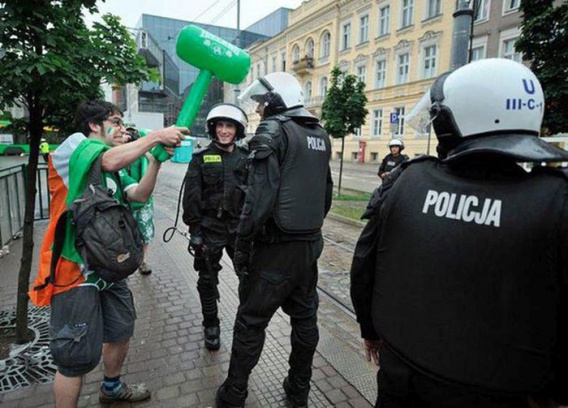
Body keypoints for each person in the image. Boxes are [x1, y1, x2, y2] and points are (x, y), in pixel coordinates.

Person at [350, 58, 568, 407]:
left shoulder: (406, 181)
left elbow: (364, 263)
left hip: (402, 377)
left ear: (458, 122)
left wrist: (369, 330)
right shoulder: (556, 200)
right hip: (505, 393)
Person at [29, 100, 187, 408]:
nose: (123, 128)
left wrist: (155, 161)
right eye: (115, 121)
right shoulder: (75, 147)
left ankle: (111, 388)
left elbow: (139, 195)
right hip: (74, 272)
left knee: (120, 330)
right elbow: (108, 161)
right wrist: (156, 136)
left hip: (110, 270)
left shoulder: (114, 169)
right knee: (74, 356)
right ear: (94, 125)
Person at [216, 72, 333, 408]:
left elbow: (258, 200)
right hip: (308, 246)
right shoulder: (319, 133)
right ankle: (299, 392)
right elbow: (325, 196)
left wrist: (241, 247)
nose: (259, 109)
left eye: (263, 102)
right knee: (305, 319)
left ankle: (234, 394)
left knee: (251, 320)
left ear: (278, 99)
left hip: (274, 249)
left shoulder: (274, 129)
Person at [182, 103, 249, 350]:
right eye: (220, 125)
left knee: (248, 276)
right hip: (209, 229)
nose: (224, 131)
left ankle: (246, 323)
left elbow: (253, 196)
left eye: (229, 126)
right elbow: (191, 198)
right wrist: (195, 232)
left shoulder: (246, 158)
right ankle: (211, 324)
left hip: (239, 230)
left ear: (237, 130)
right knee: (207, 279)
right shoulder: (200, 159)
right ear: (213, 128)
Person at [125, 126, 155, 275]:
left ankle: (143, 261)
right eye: (127, 133)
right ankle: (126, 261)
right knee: (125, 232)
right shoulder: (120, 152)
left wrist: (143, 147)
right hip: (125, 200)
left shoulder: (144, 153)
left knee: (144, 231)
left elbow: (153, 161)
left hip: (143, 201)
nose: (130, 136)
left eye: (133, 133)